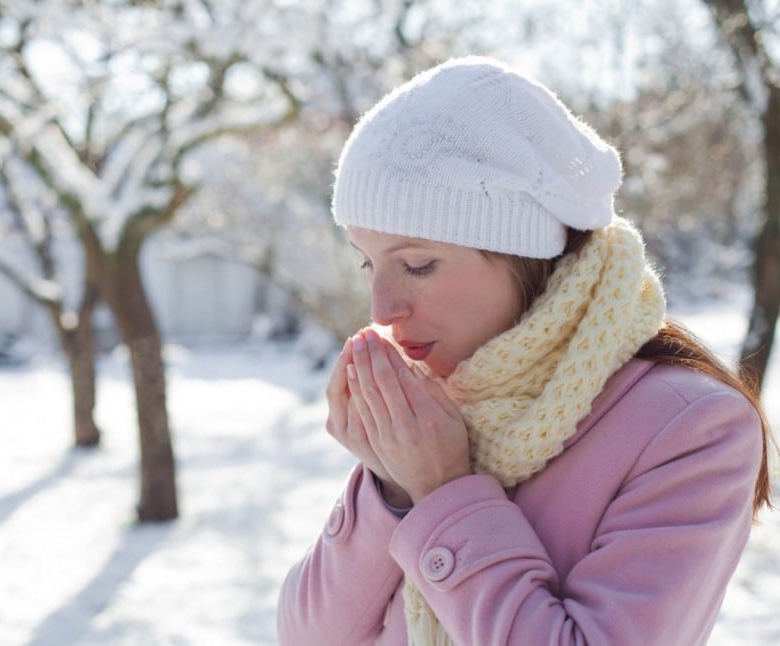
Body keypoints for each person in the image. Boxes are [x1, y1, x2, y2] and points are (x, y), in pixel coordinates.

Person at [277, 56, 773, 645]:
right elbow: (309, 637)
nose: (382, 309)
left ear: (524, 254)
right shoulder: (445, 395)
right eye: (368, 263)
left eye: (417, 265)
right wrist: (389, 486)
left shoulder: (690, 428)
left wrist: (442, 492)